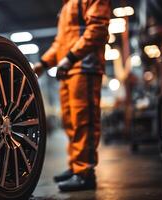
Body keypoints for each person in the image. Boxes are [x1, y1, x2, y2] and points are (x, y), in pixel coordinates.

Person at [34, 0, 111, 191]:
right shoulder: (67, 5)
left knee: (84, 121)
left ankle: (85, 174)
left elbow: (98, 30)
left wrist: (70, 58)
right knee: (70, 122)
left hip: (85, 67)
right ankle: (76, 166)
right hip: (67, 71)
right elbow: (60, 43)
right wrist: (42, 65)